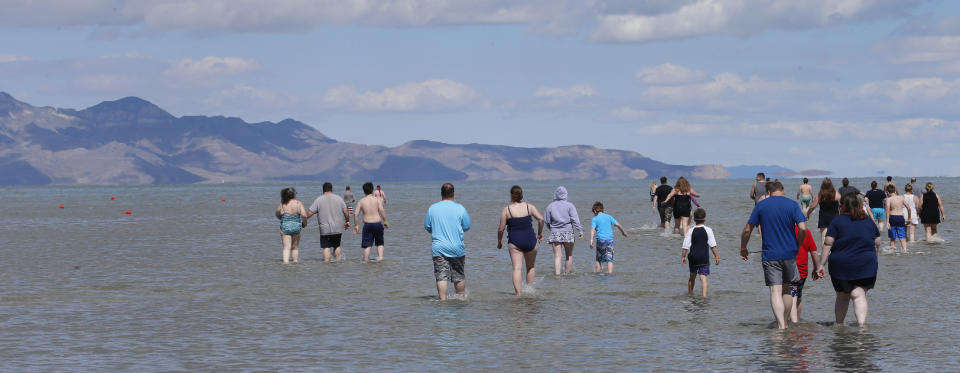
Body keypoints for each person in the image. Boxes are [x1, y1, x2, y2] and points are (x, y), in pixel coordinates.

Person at [739, 181, 809, 329]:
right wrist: (798, 244)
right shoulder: (792, 205)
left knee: (775, 290)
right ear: (782, 190)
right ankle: (785, 322)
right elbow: (803, 228)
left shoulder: (761, 206)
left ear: (768, 192)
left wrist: (743, 247)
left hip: (771, 254)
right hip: (790, 253)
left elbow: (747, 230)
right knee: (787, 288)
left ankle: (781, 325)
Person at [814, 193, 881, 327]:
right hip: (866, 263)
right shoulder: (868, 221)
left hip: (841, 265)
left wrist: (821, 265)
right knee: (859, 293)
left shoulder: (837, 221)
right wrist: (874, 257)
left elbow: (828, 243)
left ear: (843, 206)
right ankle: (861, 328)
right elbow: (877, 242)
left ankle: (839, 325)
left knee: (842, 296)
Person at [424, 183, 471, 300]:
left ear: (441, 194)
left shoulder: (432, 208)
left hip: (439, 247)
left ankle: (443, 301)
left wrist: (437, 231)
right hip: (457, 247)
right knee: (459, 275)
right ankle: (460, 299)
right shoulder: (460, 208)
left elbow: (427, 226)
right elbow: (467, 226)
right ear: (453, 193)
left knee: (441, 276)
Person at [497, 185, 545, 296]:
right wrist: (539, 234)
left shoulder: (506, 210)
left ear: (511, 196)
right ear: (521, 195)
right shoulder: (529, 206)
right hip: (531, 241)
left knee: (517, 268)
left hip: (515, 242)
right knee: (530, 267)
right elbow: (541, 219)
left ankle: (518, 294)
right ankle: (529, 291)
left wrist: (499, 241)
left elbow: (501, 229)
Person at [543, 186, 583, 275]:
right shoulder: (570, 205)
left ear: (556, 195)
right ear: (566, 194)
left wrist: (551, 228)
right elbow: (575, 219)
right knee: (569, 255)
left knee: (557, 256)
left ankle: (557, 275)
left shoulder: (550, 206)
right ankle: (567, 274)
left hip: (555, 233)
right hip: (568, 232)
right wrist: (580, 231)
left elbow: (547, 220)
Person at [305, 182, 350, 262]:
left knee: (326, 247)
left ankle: (326, 264)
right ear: (332, 189)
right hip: (337, 228)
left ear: (323, 190)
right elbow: (346, 212)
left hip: (324, 229)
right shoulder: (339, 199)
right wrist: (347, 221)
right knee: (337, 246)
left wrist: (303, 222)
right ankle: (337, 262)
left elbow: (309, 213)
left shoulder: (318, 200)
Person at [681, 208, 719, 297]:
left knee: (692, 277)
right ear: (705, 219)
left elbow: (685, 246)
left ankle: (690, 294)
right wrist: (716, 256)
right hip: (703, 257)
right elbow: (713, 245)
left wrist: (683, 256)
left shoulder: (691, 230)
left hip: (693, 257)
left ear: (694, 220)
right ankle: (704, 296)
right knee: (703, 277)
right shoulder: (708, 230)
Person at [790, 224, 821, 323]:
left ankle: (792, 321)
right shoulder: (806, 231)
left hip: (787, 270)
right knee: (798, 297)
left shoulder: (784, 231)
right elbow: (814, 252)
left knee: (790, 296)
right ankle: (797, 319)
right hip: (802, 271)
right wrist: (816, 268)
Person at [354, 182, 388, 261]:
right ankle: (380, 258)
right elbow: (382, 210)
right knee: (380, 243)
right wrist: (385, 221)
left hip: (367, 225)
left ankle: (366, 260)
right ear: (372, 190)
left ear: (363, 191)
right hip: (377, 224)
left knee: (367, 245)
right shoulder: (377, 200)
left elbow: (356, 214)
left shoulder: (361, 201)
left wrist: (356, 225)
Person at [590, 201, 627, 274]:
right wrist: (623, 232)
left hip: (600, 241)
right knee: (609, 259)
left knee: (598, 259)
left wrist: (591, 241)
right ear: (602, 209)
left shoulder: (595, 219)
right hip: (609, 241)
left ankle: (598, 273)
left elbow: (592, 231)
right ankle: (610, 274)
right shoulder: (609, 216)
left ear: (595, 210)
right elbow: (618, 225)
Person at [805, 178, 841, 247]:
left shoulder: (820, 194)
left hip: (823, 219)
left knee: (824, 238)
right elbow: (842, 205)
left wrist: (807, 214)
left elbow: (813, 206)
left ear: (822, 185)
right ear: (831, 185)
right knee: (835, 238)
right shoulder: (836, 193)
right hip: (835, 219)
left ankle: (825, 255)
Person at [275, 187, 307, 264]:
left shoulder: (282, 204)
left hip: (285, 227)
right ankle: (295, 262)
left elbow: (277, 214)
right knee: (295, 248)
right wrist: (304, 224)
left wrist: (281, 218)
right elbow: (304, 215)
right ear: (294, 195)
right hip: (296, 228)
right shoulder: (298, 203)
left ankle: (286, 263)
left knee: (286, 248)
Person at [884, 184, 910, 253]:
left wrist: (887, 222)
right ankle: (905, 251)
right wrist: (909, 218)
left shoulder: (888, 199)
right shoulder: (901, 197)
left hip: (892, 217)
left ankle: (892, 252)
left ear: (888, 193)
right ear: (895, 191)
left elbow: (887, 211)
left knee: (892, 238)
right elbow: (909, 208)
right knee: (902, 238)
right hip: (901, 217)